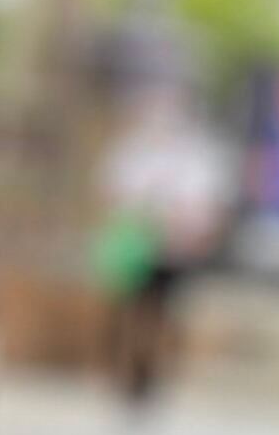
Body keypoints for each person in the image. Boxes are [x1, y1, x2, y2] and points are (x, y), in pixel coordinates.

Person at [89, 83, 237, 407]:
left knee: (161, 312)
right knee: (128, 310)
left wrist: (189, 229)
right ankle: (122, 370)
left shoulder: (197, 157)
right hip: (134, 248)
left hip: (173, 250)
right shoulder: (132, 152)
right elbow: (111, 196)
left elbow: (206, 207)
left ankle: (152, 373)